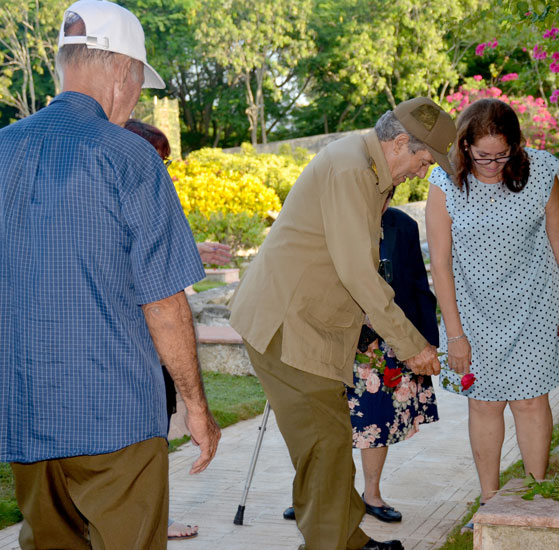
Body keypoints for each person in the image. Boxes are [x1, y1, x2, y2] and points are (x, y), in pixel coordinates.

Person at [0, 2, 221, 549]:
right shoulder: (130, 158)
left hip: (26, 411)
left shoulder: (3, 149)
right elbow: (164, 304)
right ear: (124, 72)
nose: (137, 98)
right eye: (141, 84)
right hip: (114, 415)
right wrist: (196, 407)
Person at [229, 97, 456, 550]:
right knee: (327, 446)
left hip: (306, 324)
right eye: (423, 159)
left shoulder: (367, 166)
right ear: (397, 144)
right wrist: (412, 345)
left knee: (326, 446)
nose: (423, 171)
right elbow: (358, 272)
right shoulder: (353, 170)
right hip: (288, 328)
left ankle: (348, 538)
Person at [425, 98, 559, 527]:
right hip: (473, 312)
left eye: (502, 154)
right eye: (483, 156)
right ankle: (491, 500)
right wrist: (454, 335)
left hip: (535, 302)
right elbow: (439, 262)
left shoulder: (540, 170)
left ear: (515, 146)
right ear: (464, 146)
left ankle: (535, 492)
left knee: (532, 402)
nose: (493, 164)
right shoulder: (443, 180)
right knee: (485, 404)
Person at [283, 205, 440, 524]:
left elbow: (417, 284)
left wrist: (427, 339)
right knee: (321, 421)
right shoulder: (330, 216)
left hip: (383, 344)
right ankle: (316, 495)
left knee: (376, 421)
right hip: (332, 337)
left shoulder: (403, 225)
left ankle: (372, 494)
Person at [124, 118, 232, 541]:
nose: (164, 168)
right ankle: (149, 521)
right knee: (147, 435)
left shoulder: (148, 192)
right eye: (159, 158)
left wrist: (197, 248)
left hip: (155, 346)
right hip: (140, 343)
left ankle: (156, 517)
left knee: (157, 431)